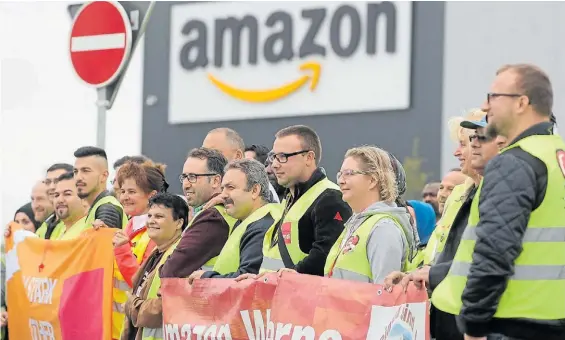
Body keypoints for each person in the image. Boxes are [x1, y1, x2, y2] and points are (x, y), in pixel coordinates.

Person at [432, 64, 565, 340]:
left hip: (509, 326)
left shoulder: (515, 163)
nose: (485, 105)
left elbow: (494, 251)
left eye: (493, 97)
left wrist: (474, 327)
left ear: (521, 103)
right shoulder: (555, 156)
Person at [240, 125, 352, 277]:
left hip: (302, 296)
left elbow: (325, 256)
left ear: (309, 157)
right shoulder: (290, 197)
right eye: (273, 157)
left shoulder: (330, 198)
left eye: (283, 157)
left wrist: (284, 275)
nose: (274, 164)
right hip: (277, 293)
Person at [323, 146, 415, 283]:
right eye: (340, 174)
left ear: (372, 180)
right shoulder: (357, 224)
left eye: (348, 173)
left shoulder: (383, 229)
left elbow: (384, 295)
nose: (340, 181)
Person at [188, 159, 281, 283]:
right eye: (223, 188)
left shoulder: (261, 227)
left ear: (254, 191)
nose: (223, 195)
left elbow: (246, 279)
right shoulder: (251, 219)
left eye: (230, 187)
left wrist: (206, 278)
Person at [159, 148, 237, 279]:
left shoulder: (212, 218)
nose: (185, 185)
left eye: (192, 177)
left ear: (216, 181)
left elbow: (171, 269)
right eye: (184, 177)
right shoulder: (210, 213)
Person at [121, 193, 189, 340]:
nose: (151, 221)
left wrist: (132, 306)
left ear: (179, 223)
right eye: (150, 216)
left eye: (159, 217)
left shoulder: (181, 257)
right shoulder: (157, 251)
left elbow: (165, 307)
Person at [203, 128, 281, 203]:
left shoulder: (258, 187)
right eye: (203, 153)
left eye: (214, 153)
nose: (206, 160)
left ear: (238, 156)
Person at [73, 146, 127, 229]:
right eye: (75, 171)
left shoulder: (107, 210)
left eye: (86, 171)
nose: (78, 177)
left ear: (104, 176)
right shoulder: (97, 207)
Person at [51, 172, 88, 240]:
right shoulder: (58, 231)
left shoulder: (89, 229)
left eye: (67, 194)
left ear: (84, 199)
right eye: (56, 195)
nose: (60, 200)